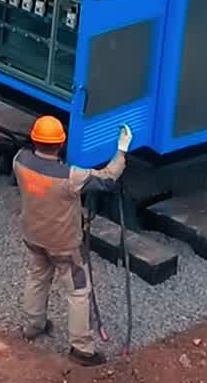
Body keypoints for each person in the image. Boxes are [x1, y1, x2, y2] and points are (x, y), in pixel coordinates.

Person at [12, 115, 132, 366]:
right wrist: (121, 150)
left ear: (34, 139)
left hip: (33, 237)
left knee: (37, 277)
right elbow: (107, 179)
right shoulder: (70, 177)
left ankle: (33, 326)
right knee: (78, 292)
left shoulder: (19, 161)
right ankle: (82, 349)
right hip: (63, 245)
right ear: (61, 143)